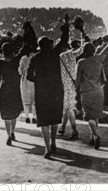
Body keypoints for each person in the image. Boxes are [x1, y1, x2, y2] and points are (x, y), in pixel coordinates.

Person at [27, 15, 70, 159]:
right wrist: (66, 25)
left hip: (42, 92)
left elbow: (29, 76)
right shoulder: (55, 53)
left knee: (44, 120)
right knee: (54, 118)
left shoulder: (35, 57)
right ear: (49, 45)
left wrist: (39, 80)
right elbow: (64, 40)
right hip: (56, 90)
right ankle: (53, 142)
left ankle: (46, 148)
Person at [0, 43, 28, 146]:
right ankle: (12, 132)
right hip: (15, 90)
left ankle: (8, 136)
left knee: (6, 114)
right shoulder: (16, 60)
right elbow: (24, 49)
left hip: (5, 89)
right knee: (14, 112)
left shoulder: (0, 62)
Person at [76, 42, 107, 149]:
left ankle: (95, 135)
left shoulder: (81, 62)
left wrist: (76, 87)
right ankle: (92, 137)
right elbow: (104, 79)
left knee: (88, 116)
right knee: (96, 115)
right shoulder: (99, 62)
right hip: (99, 91)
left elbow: (77, 80)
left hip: (86, 91)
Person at [58, 40, 82, 139]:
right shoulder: (73, 54)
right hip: (72, 85)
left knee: (67, 107)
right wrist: (83, 35)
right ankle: (74, 130)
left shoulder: (60, 56)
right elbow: (82, 49)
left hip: (63, 85)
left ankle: (63, 127)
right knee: (69, 108)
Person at [18, 44, 37, 123]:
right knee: (34, 99)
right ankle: (34, 116)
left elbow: (20, 72)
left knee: (26, 99)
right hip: (35, 80)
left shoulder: (23, 58)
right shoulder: (36, 57)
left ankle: (26, 116)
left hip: (25, 80)